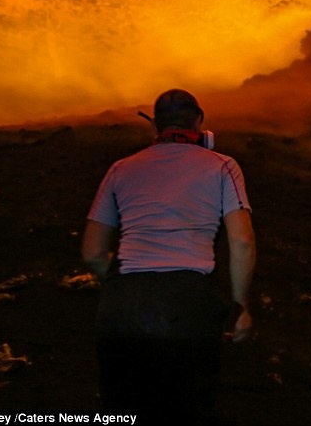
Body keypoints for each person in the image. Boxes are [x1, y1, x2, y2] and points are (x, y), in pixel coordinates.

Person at [81, 89, 255, 424]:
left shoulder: (120, 169)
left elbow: (92, 252)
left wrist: (124, 285)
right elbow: (243, 241)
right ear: (199, 123)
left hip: (122, 305)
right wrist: (239, 306)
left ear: (154, 127)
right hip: (187, 302)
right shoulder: (223, 166)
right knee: (187, 407)